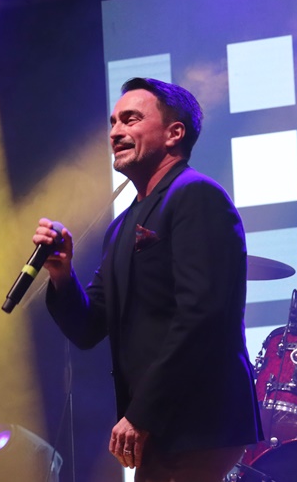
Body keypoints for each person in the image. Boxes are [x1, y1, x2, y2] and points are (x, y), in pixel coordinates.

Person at [33, 77, 263, 481]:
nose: (115, 132)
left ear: (174, 133)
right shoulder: (122, 226)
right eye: (113, 122)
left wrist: (141, 413)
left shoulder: (196, 195)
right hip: (163, 425)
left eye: (131, 119)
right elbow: (89, 327)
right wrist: (62, 275)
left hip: (199, 419)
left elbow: (202, 316)